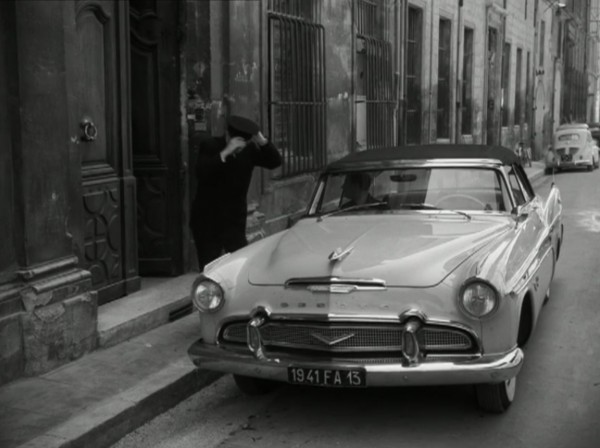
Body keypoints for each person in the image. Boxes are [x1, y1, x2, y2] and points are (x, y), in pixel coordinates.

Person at [190, 115, 282, 271]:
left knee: (239, 266)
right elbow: (201, 172)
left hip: (234, 221)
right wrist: (225, 152)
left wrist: (261, 140)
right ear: (228, 135)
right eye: (238, 144)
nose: (240, 149)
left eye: (244, 144)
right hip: (207, 220)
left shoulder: (250, 150)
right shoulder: (210, 145)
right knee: (210, 268)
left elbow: (275, 161)